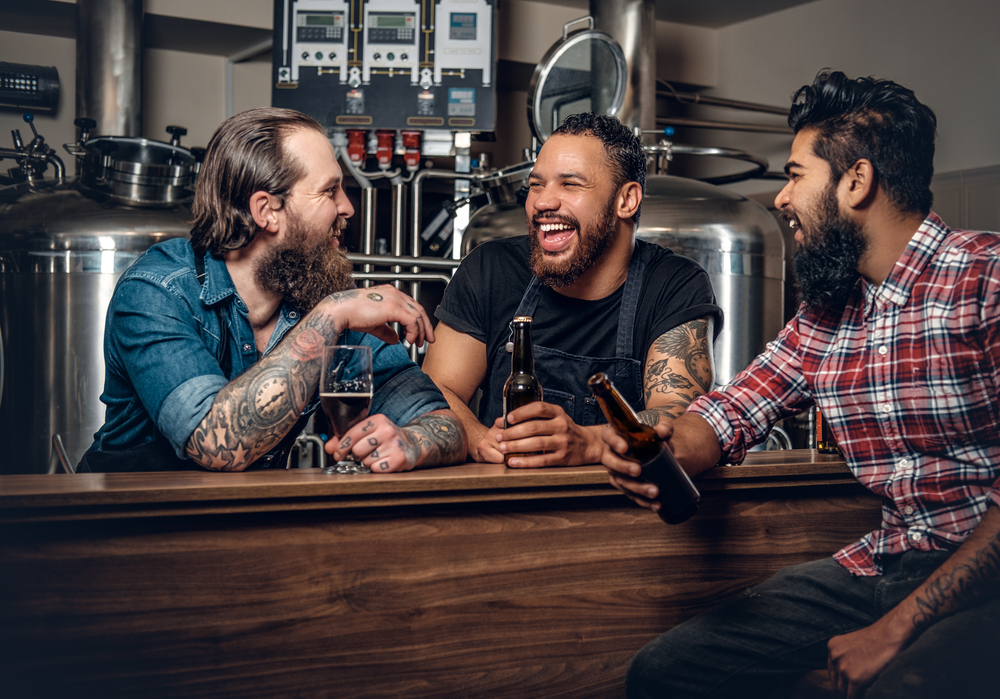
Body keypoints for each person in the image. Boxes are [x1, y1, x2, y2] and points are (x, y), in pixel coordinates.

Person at [601, 70, 1000, 699]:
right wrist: (664, 446)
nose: (781, 199)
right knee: (663, 673)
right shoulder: (827, 314)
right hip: (885, 562)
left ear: (856, 182)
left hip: (986, 579)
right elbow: (731, 411)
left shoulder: (986, 280)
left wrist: (895, 631)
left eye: (793, 175)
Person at [79, 107, 465, 473]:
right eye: (329, 191)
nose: (347, 207)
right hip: (128, 527)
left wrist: (410, 442)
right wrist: (333, 314)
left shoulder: (317, 294)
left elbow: (445, 423)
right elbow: (216, 444)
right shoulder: (157, 292)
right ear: (266, 210)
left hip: (245, 524)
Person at [422, 113, 722, 467]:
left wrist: (588, 442)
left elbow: (678, 418)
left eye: (570, 184)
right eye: (536, 185)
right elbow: (436, 390)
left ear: (626, 200)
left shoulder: (674, 285)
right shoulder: (492, 269)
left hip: (623, 511)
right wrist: (477, 438)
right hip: (501, 505)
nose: (543, 202)